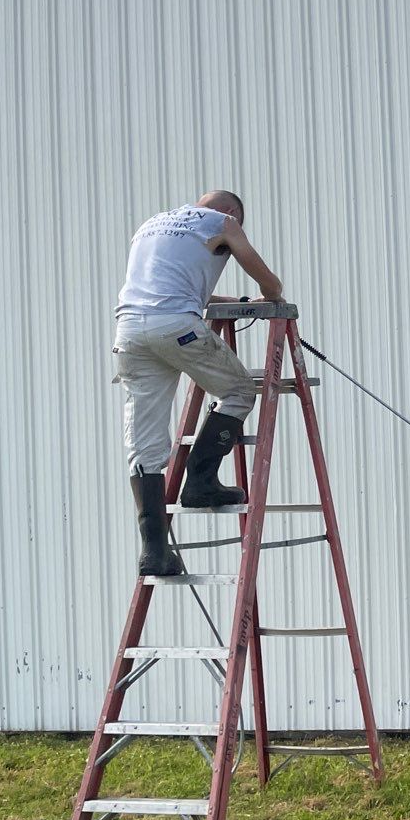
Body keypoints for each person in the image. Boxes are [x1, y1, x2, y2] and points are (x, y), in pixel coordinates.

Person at [114, 191, 285, 576]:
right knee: (239, 390)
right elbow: (268, 282)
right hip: (177, 327)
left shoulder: (153, 224)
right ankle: (201, 482)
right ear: (230, 212)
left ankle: (154, 552)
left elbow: (182, 289)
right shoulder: (223, 223)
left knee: (144, 444)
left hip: (129, 332)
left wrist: (238, 300)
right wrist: (270, 295)